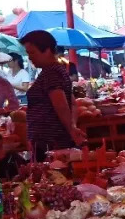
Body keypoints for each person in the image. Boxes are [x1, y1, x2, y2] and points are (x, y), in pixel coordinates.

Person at [20, 30, 85, 160]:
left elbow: (60, 104)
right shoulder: (58, 70)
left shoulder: (51, 73)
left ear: (47, 51)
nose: (30, 57)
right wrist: (71, 127)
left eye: (32, 53)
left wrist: (71, 129)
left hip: (49, 142)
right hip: (56, 139)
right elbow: (71, 103)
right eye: (28, 53)